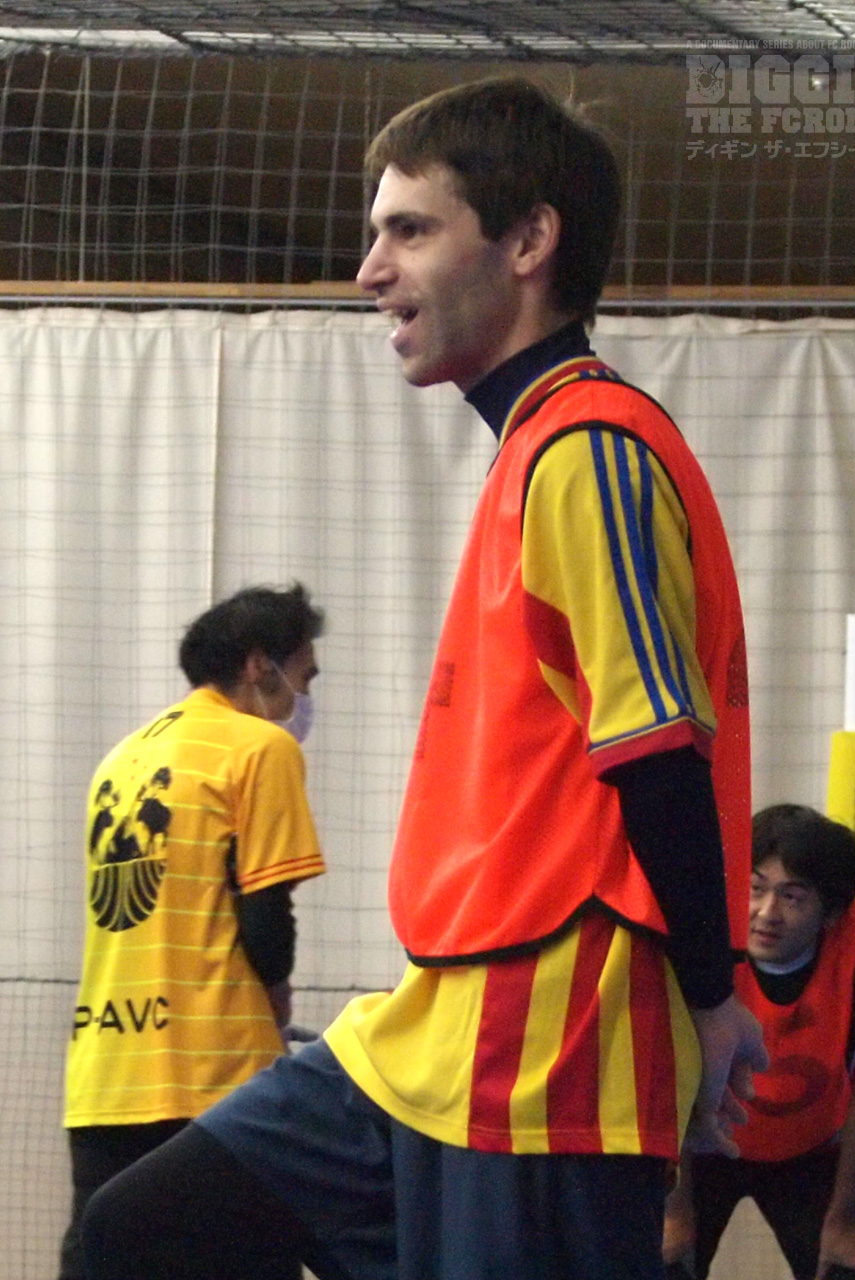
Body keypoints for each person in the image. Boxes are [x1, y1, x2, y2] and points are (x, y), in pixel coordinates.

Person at [82, 76, 767, 1280]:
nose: (370, 269)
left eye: (410, 229)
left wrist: (713, 995)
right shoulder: (539, 449)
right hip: (428, 1026)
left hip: (545, 1038)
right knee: (130, 1233)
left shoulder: (589, 447)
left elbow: (658, 748)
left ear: (529, 240)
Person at [60, 583, 326, 1280]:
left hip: (106, 1074)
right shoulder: (259, 747)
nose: (303, 697)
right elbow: (266, 914)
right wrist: (276, 1005)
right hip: (215, 1075)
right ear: (259, 665)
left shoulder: (122, 758)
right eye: (304, 676)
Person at [662, 804, 855, 1280]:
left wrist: (842, 1217)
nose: (766, 913)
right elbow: (667, 1075)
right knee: (659, 1259)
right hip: (703, 1140)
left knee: (852, 1266)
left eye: (792, 898)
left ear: (832, 913)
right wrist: (674, 1208)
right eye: (755, 889)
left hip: (816, 1148)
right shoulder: (701, 933)